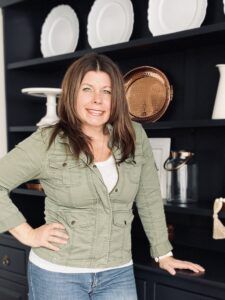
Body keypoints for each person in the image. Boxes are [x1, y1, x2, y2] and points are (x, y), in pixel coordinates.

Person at [0, 53, 204, 300]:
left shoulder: (133, 135)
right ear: (72, 93)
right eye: (87, 89)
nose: (97, 100)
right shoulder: (48, 140)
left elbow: (148, 196)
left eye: (106, 91)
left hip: (117, 272)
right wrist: (28, 234)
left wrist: (164, 254)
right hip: (58, 274)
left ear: (115, 98)